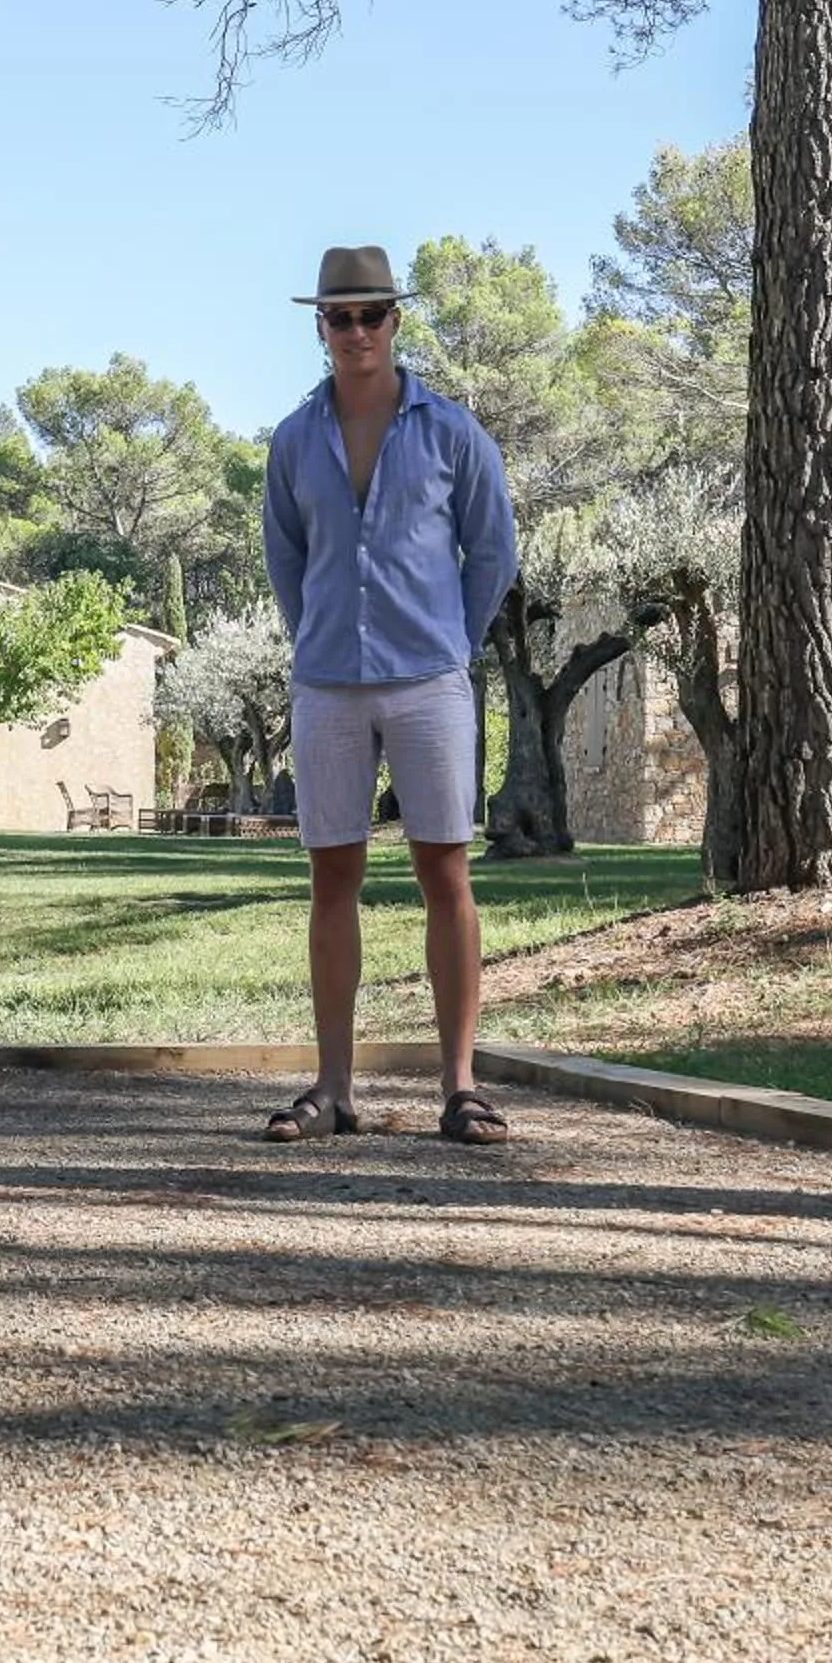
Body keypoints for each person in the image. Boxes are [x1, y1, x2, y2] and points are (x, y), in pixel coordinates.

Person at [260, 243, 519, 1147]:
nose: (357, 330)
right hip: (328, 684)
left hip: (429, 682)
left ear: (396, 321)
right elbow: (287, 557)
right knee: (332, 878)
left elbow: (493, 552)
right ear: (320, 328)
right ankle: (333, 1089)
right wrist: (319, 636)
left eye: (372, 314)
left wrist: (452, 643)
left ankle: (461, 1085)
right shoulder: (294, 440)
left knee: (445, 873)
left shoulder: (451, 432)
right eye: (340, 317)